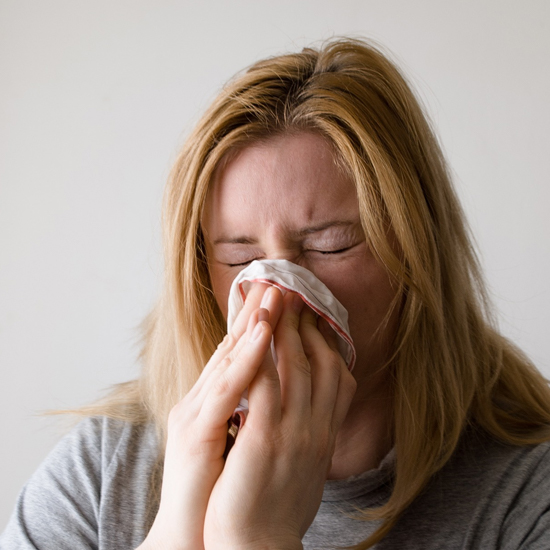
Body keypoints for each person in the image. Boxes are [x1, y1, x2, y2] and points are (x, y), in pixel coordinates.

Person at [2, 37, 550, 550]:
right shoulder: (100, 474)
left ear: (416, 255)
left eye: (332, 246)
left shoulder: (526, 493)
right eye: (240, 260)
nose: (274, 299)